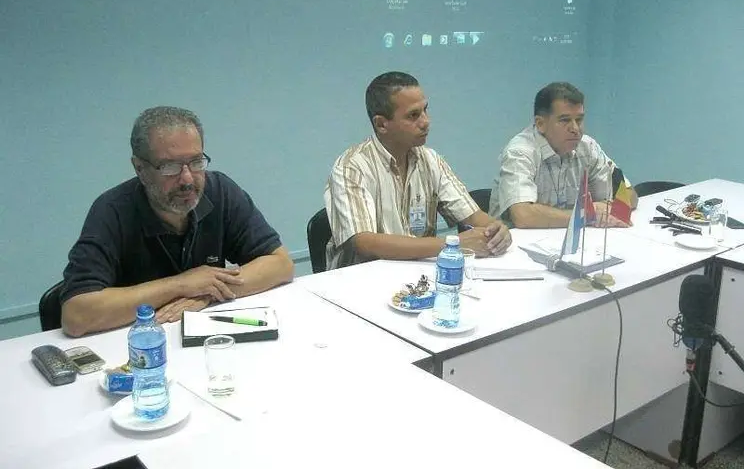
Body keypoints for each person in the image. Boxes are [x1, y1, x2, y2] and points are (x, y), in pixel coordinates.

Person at [60, 106, 294, 337]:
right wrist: (181, 284)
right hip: (138, 348)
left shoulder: (219, 191)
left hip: (205, 336)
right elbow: (76, 315)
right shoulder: (112, 210)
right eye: (169, 167)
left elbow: (280, 264)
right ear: (140, 168)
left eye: (196, 162)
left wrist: (207, 292)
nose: (187, 179)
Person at [324, 71, 511, 270]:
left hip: (417, 276)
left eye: (425, 110)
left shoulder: (430, 160)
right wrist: (452, 245)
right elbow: (365, 243)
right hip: (360, 281)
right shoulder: (352, 166)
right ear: (381, 124)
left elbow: (472, 216)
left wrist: (496, 229)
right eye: (413, 115)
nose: (425, 121)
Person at [489, 82, 638, 229]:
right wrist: (587, 214)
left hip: (566, 238)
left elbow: (630, 194)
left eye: (579, 120)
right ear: (540, 124)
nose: (575, 129)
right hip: (514, 246)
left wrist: (611, 208)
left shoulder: (588, 147)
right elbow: (523, 216)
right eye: (565, 120)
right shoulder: (520, 152)